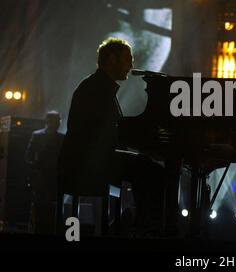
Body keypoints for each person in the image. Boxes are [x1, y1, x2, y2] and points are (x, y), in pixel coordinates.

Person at [58, 37, 166, 236]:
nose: (131, 66)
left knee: (147, 168)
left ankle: (141, 225)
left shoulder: (99, 85)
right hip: (89, 162)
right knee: (153, 173)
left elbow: (109, 131)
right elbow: (104, 132)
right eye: (127, 60)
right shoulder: (97, 89)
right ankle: (145, 229)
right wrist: (146, 141)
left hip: (92, 157)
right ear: (111, 59)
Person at [25, 111, 64, 234]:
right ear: (48, 121)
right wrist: (34, 168)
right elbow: (29, 155)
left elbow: (29, 154)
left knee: (48, 203)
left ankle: (44, 228)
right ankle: (39, 227)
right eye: (56, 120)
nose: (57, 123)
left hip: (50, 175)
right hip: (43, 175)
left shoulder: (40, 135)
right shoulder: (39, 136)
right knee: (40, 203)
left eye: (58, 121)